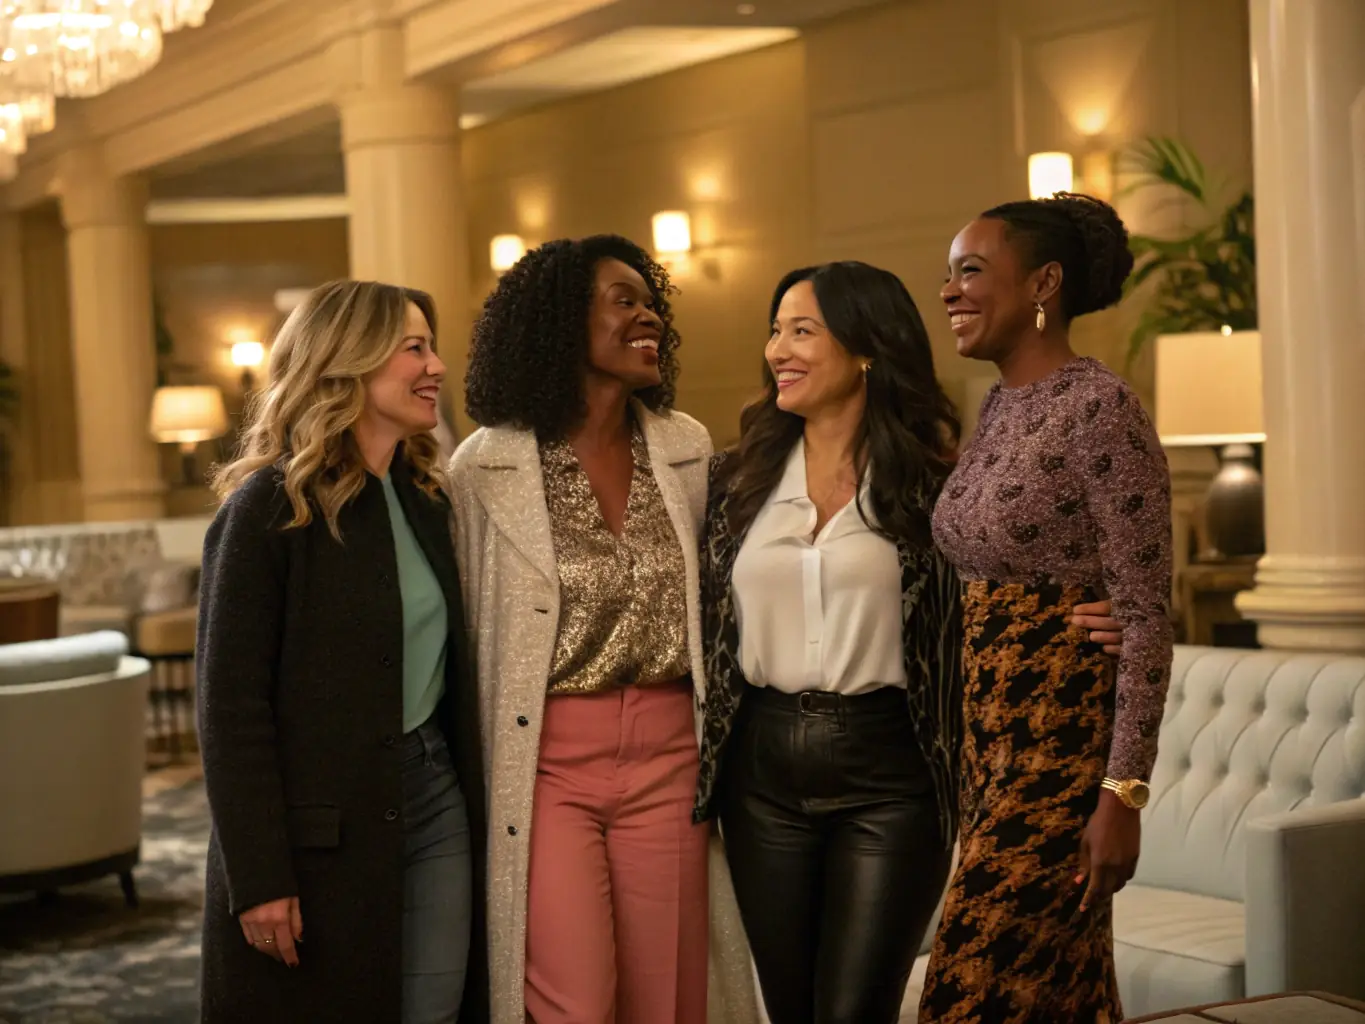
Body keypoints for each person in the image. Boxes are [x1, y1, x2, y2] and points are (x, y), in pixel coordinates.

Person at [692, 260, 1126, 1024]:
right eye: (774, 330)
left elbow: (1020, 585)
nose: (776, 350)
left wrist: (1094, 612)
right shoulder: (735, 479)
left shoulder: (939, 488)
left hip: (892, 776)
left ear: (865, 347)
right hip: (759, 774)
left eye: (802, 330)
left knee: (855, 1010)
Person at [448, 235, 758, 1024]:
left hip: (670, 756)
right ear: (560, 322)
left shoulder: (683, 446)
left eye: (650, 300)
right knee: (574, 1001)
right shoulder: (485, 467)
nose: (647, 314)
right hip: (548, 764)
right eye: (623, 300)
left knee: (670, 995)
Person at [196, 280, 488, 1024]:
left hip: (433, 795)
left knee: (435, 1009)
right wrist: (257, 876)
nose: (436, 367)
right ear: (347, 360)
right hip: (317, 830)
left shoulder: (428, 496)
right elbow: (229, 711)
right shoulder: (266, 507)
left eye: (433, 346)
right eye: (413, 348)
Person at [920, 192, 1173, 1024]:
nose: (950, 291)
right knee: (1052, 994)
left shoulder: (1100, 408)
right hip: (989, 742)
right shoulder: (996, 405)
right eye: (948, 275)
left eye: (971, 271)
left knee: (970, 991)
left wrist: (1121, 796)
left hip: (1061, 747)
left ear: (1044, 283)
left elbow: (1142, 619)